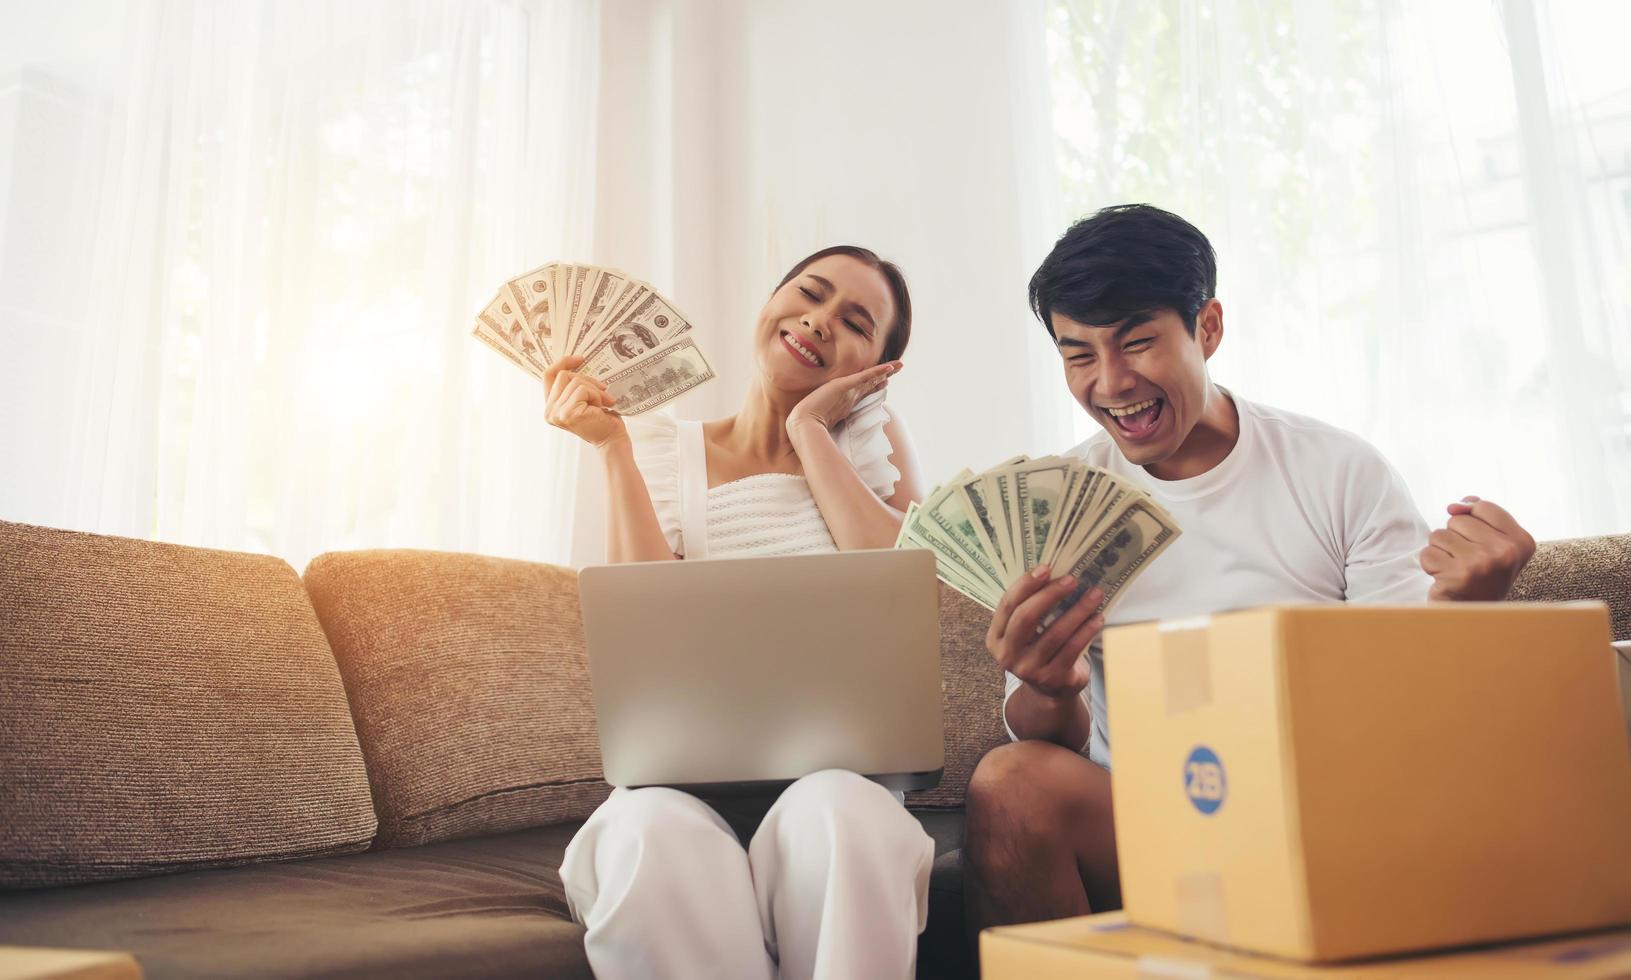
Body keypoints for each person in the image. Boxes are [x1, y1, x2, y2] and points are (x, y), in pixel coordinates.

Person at [963, 205, 1537, 942]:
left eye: (1137, 343)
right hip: (1145, 825)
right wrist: (1045, 688)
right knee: (1008, 783)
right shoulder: (1060, 504)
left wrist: (1466, 613)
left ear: (1206, 327)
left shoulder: (1335, 472)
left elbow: (1411, 714)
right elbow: (1047, 745)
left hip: (1318, 814)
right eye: (1078, 356)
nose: (1110, 383)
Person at [546, 245, 935, 980]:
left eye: (853, 321)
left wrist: (810, 434)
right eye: (809, 294)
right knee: (650, 833)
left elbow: (898, 586)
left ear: (876, 368)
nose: (818, 322)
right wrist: (610, 449)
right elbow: (644, 623)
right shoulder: (663, 447)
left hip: (840, 783)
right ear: (769, 303)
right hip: (674, 791)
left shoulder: (872, 456)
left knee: (841, 816)